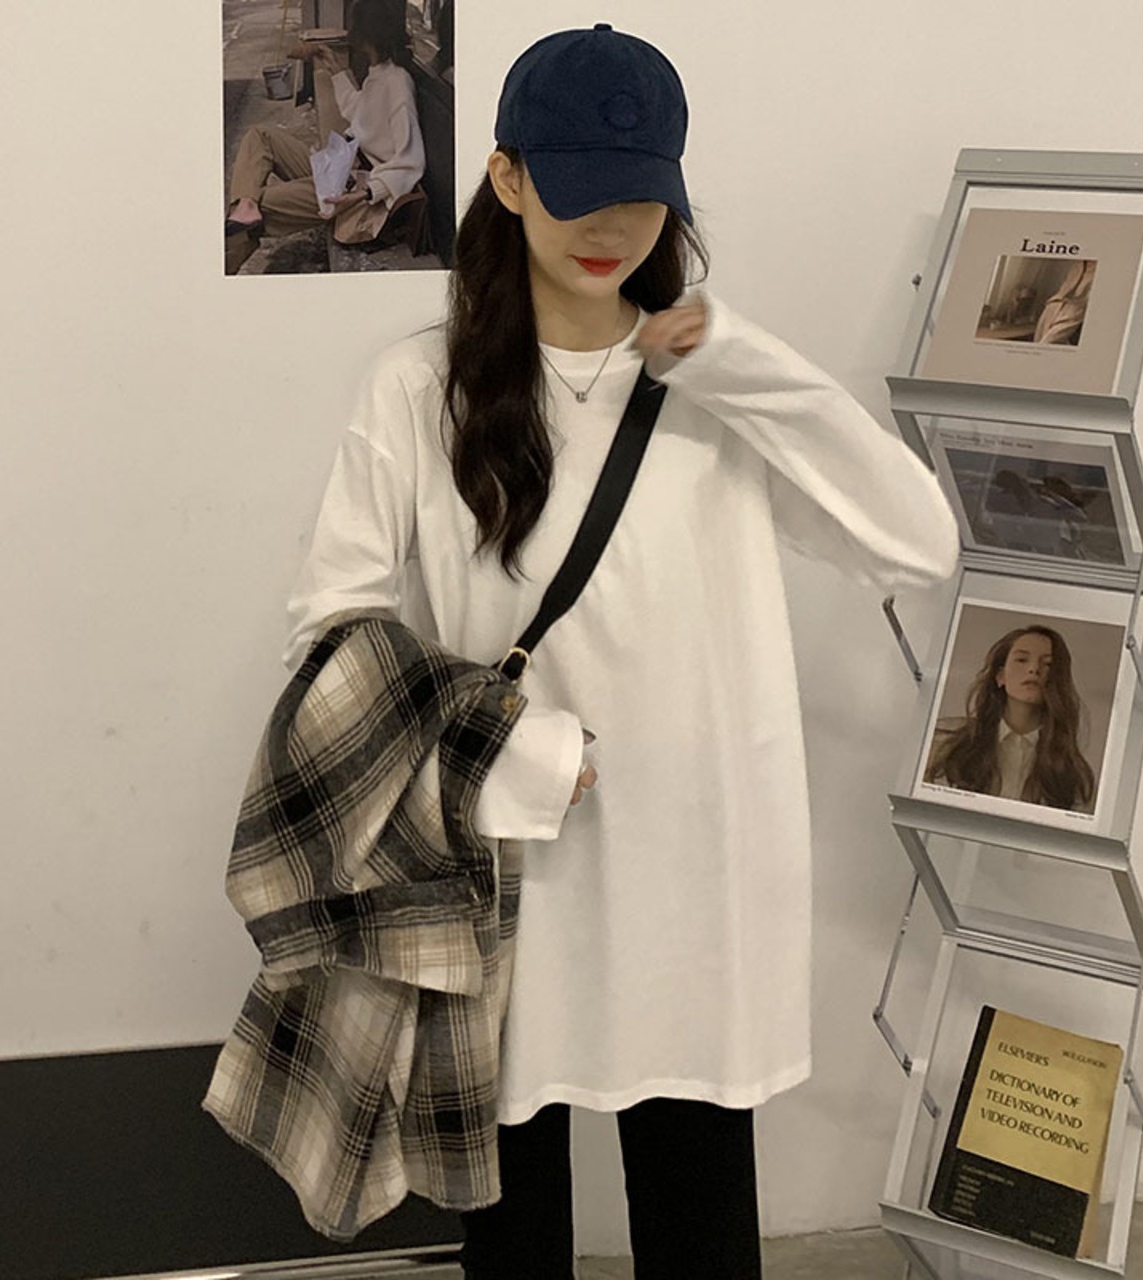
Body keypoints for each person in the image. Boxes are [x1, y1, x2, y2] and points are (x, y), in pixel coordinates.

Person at [283, 24, 958, 1278]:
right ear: (505, 177)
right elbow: (331, 630)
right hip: (504, 887)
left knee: (701, 1234)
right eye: (580, 191)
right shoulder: (418, 389)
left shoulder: (719, 390)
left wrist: (734, 360)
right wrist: (504, 747)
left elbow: (918, 543)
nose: (612, 229)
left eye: (642, 197)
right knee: (514, 1241)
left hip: (695, 882)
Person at [224, 0, 425, 272]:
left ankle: (221, 275)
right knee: (260, 137)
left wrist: (363, 194)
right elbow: (359, 113)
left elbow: (412, 162)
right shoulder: (378, 74)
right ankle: (245, 205)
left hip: (357, 193)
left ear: (365, 33)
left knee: (260, 208)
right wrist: (335, 69)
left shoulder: (398, 83)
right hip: (343, 169)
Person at [925, 624, 1096, 812]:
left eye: (1048, 664)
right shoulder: (946, 742)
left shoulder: (1072, 775)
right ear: (1001, 676)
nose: (1034, 669)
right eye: (1022, 660)